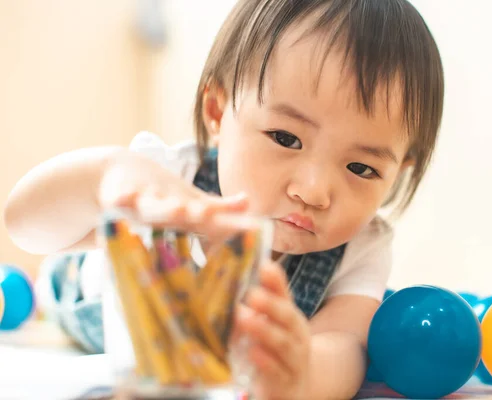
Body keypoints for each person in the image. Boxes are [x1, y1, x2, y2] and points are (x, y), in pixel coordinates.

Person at [4, 0, 444, 398]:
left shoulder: (362, 247)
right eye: (286, 138)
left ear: (398, 171)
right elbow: (24, 226)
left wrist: (301, 373)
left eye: (361, 169)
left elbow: (345, 344)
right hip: (80, 287)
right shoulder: (165, 178)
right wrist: (109, 173)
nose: (312, 191)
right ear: (217, 111)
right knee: (51, 280)